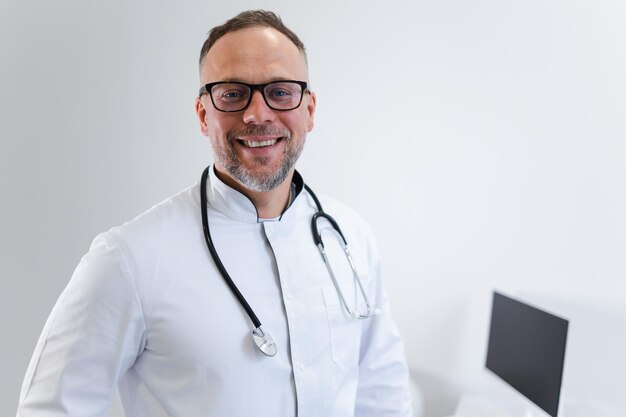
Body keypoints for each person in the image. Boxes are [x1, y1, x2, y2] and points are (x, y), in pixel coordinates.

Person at [16, 10, 414, 417]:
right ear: (204, 114)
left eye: (280, 92)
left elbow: (383, 396)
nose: (258, 114)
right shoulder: (128, 261)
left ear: (309, 111)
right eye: (232, 93)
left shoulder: (351, 237)